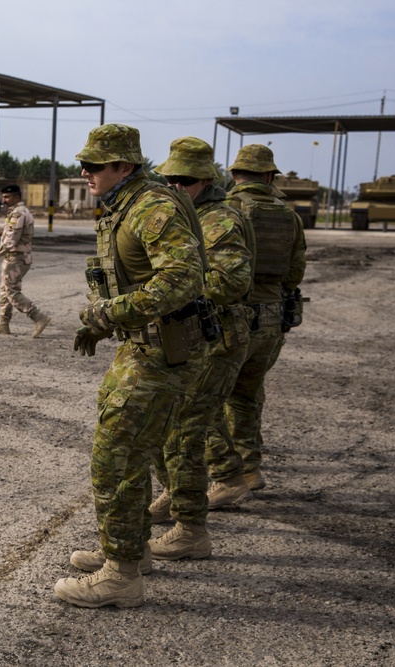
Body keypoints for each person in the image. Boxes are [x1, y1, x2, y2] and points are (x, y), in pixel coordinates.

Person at [54, 124, 207, 609]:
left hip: (164, 352)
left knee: (113, 457)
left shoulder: (152, 207)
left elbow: (183, 279)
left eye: (95, 165)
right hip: (148, 346)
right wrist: (106, 325)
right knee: (132, 452)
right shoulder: (128, 206)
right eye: (84, 164)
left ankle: (120, 576)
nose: (85, 172)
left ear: (124, 166)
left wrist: (109, 313)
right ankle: (132, 551)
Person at [149, 137, 256, 534]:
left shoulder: (220, 220)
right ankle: (175, 496)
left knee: (187, 430)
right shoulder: (186, 214)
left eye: (185, 179)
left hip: (220, 337)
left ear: (205, 181)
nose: (175, 186)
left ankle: (191, 527)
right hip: (194, 336)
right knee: (166, 423)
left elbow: (231, 283)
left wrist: (177, 281)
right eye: (170, 178)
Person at [206, 144, 306, 492]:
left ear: (233, 175)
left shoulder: (227, 210)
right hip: (274, 318)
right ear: (268, 176)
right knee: (248, 395)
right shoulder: (290, 215)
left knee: (208, 397)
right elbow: (296, 271)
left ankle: (225, 472)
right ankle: (250, 469)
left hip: (235, 318)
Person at [0, 184, 51, 337]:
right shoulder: (16, 212)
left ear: (16, 197)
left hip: (16, 259)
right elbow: (15, 235)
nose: (4, 200)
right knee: (5, 291)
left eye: (7, 197)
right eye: (3, 197)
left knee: (12, 292)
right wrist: (1, 233)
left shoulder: (18, 214)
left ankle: (39, 318)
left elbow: (10, 242)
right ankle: (3, 325)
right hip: (15, 257)